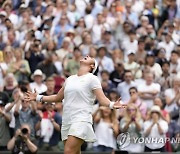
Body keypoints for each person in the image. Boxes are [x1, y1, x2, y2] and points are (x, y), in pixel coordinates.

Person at [25, 55, 126, 154]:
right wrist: (37, 97)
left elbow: (102, 99)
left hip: (81, 119)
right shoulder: (70, 79)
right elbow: (57, 98)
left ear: (92, 66)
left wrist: (112, 104)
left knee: (68, 151)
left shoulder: (92, 79)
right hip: (67, 120)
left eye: (90, 58)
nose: (87, 55)